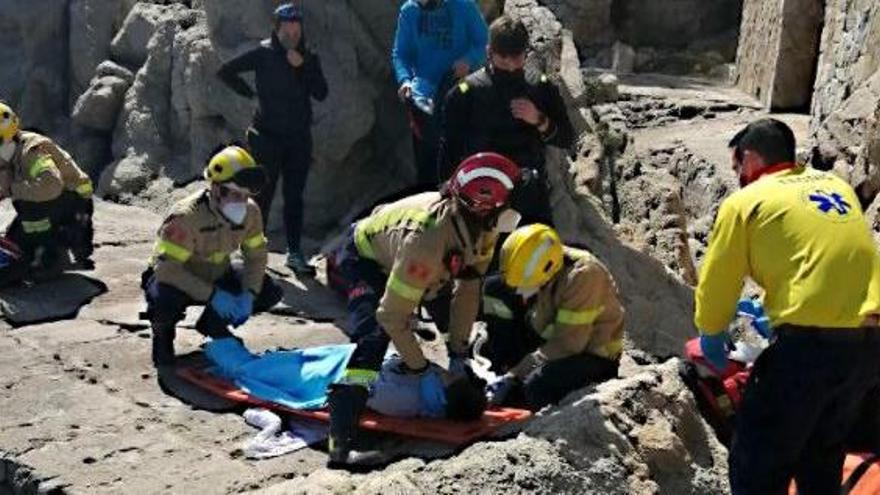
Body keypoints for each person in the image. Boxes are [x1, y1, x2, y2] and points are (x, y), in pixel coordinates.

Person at [694, 118, 880, 494]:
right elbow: (828, 257)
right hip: (869, 348)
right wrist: (776, 309)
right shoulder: (834, 186)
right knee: (821, 454)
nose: (738, 177)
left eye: (737, 168)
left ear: (748, 159)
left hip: (809, 353)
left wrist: (711, 333)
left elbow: (717, 282)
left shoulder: (746, 202)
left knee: (756, 460)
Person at [327, 152, 522, 467]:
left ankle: (417, 359)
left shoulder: (482, 225)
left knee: (439, 317)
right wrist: (420, 369)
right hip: (364, 255)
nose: (509, 210)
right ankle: (341, 445)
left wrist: (459, 354)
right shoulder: (426, 242)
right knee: (372, 339)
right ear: (482, 205)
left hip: (408, 250)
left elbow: (469, 288)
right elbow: (390, 315)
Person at [142, 145, 283, 369]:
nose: (241, 202)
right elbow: (167, 270)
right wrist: (214, 296)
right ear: (216, 190)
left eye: (245, 196)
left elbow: (256, 256)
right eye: (236, 195)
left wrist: (249, 293)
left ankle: (213, 325)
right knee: (163, 300)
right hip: (178, 278)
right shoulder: (186, 217)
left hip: (218, 274)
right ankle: (163, 341)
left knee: (269, 290)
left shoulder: (251, 212)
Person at [217, 3, 328, 276]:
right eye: (287, 29)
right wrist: (250, 95)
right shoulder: (263, 53)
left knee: (294, 197)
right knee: (261, 196)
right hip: (266, 137)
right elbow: (225, 72)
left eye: (296, 29)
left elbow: (321, 93)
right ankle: (253, 253)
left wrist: (303, 68)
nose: (292, 34)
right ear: (276, 29)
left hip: (298, 139)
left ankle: (295, 253)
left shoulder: (309, 57)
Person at [441, 15, 575, 226]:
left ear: (526, 53)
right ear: (489, 53)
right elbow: (448, 151)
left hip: (527, 192)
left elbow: (567, 138)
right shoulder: (465, 94)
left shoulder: (540, 87)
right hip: (478, 195)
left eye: (517, 58)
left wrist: (539, 120)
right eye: (504, 59)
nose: (512, 67)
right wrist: (448, 194)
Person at [480, 224, 624, 411]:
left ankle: (528, 405)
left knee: (537, 386)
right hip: (549, 334)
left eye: (525, 285)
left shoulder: (584, 276)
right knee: (495, 288)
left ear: (547, 272)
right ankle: (505, 375)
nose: (520, 292)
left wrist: (515, 374)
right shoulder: (543, 263)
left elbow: (568, 345)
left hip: (590, 355)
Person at [392, 0, 488, 187]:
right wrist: (404, 80)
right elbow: (401, 54)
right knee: (427, 164)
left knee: (461, 160)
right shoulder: (409, 11)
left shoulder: (463, 5)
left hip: (458, 89)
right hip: (423, 97)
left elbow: (484, 42)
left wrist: (469, 61)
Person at [0, 102, 95, 275]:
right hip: (54, 204)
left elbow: (50, 186)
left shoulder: (32, 151)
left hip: (72, 204)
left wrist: (12, 190)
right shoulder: (9, 152)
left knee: (24, 242)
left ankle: (49, 255)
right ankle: (47, 247)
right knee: (12, 241)